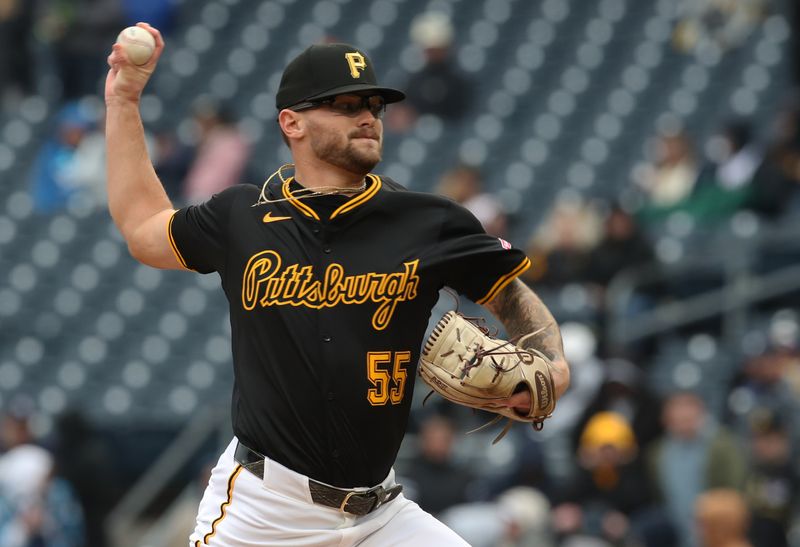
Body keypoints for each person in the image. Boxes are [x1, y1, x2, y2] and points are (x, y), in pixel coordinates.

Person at [104, 23, 571, 546]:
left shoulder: (426, 221)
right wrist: (124, 99)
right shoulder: (242, 216)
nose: (368, 117)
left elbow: (507, 289)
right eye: (346, 105)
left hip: (381, 515)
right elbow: (144, 230)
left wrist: (550, 359)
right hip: (266, 512)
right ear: (292, 122)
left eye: (373, 105)